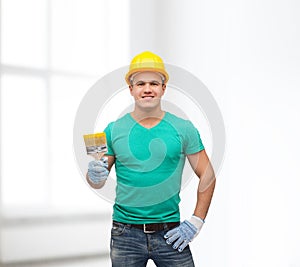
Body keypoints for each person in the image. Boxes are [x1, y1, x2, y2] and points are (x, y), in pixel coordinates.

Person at [86, 51, 216, 267]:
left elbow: (208, 174)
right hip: (125, 235)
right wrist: (93, 173)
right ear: (131, 89)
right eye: (141, 84)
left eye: (154, 83)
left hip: (171, 233)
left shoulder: (184, 128)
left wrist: (196, 221)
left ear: (163, 89)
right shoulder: (112, 130)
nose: (147, 89)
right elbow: (97, 181)